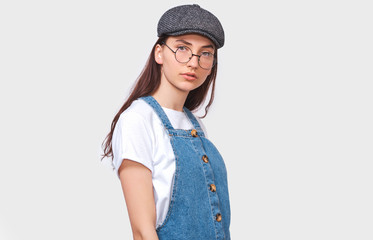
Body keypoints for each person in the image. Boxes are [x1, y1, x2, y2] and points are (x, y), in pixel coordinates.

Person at [101, 4, 230, 240]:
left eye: (206, 53)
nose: (193, 62)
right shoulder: (137, 120)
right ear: (159, 53)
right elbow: (142, 231)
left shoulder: (196, 126)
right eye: (182, 48)